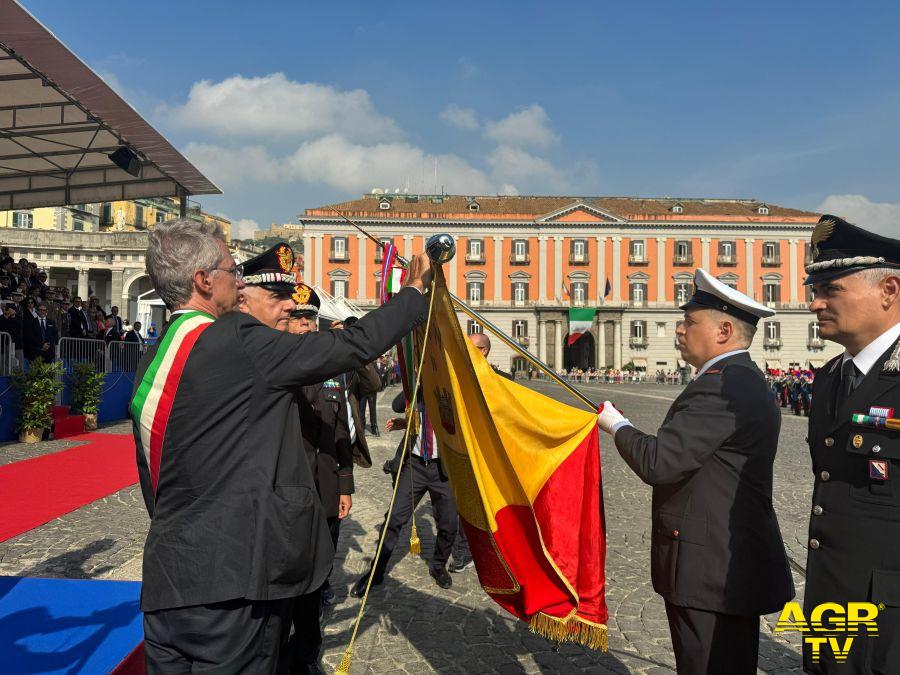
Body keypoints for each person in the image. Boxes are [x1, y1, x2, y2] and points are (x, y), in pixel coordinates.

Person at [133, 224, 431, 673]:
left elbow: (155, 475)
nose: (238, 282)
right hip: (235, 584)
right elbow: (351, 345)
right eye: (232, 271)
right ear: (203, 281)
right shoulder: (237, 340)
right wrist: (412, 292)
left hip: (169, 580)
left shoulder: (156, 356)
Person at [597, 268, 793, 674]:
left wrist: (616, 425)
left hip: (710, 569)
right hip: (725, 560)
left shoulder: (721, 385)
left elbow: (659, 462)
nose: (680, 329)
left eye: (689, 321)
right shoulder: (742, 378)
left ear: (723, 331)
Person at [801, 215, 900, 673]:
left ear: (889, 290)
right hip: (832, 603)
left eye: (831, 290)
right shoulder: (830, 378)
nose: (815, 304)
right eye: (814, 291)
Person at [284, 285, 354, 673]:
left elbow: (341, 431)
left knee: (319, 570)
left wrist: (345, 484)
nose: (306, 327)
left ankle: (307, 650)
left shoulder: (331, 370)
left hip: (325, 485)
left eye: (310, 320)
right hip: (287, 490)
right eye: (298, 320)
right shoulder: (274, 368)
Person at [350, 384, 459, 596]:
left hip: (444, 469)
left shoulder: (453, 386)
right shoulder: (418, 384)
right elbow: (397, 405)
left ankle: (438, 566)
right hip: (415, 465)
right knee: (393, 520)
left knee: (449, 524)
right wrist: (415, 381)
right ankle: (376, 572)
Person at [448, 331, 512, 574]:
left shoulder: (503, 380)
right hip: (463, 450)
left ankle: (489, 549)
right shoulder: (457, 377)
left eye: (471, 347)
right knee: (463, 504)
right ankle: (464, 551)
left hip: (492, 454)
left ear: (484, 351)